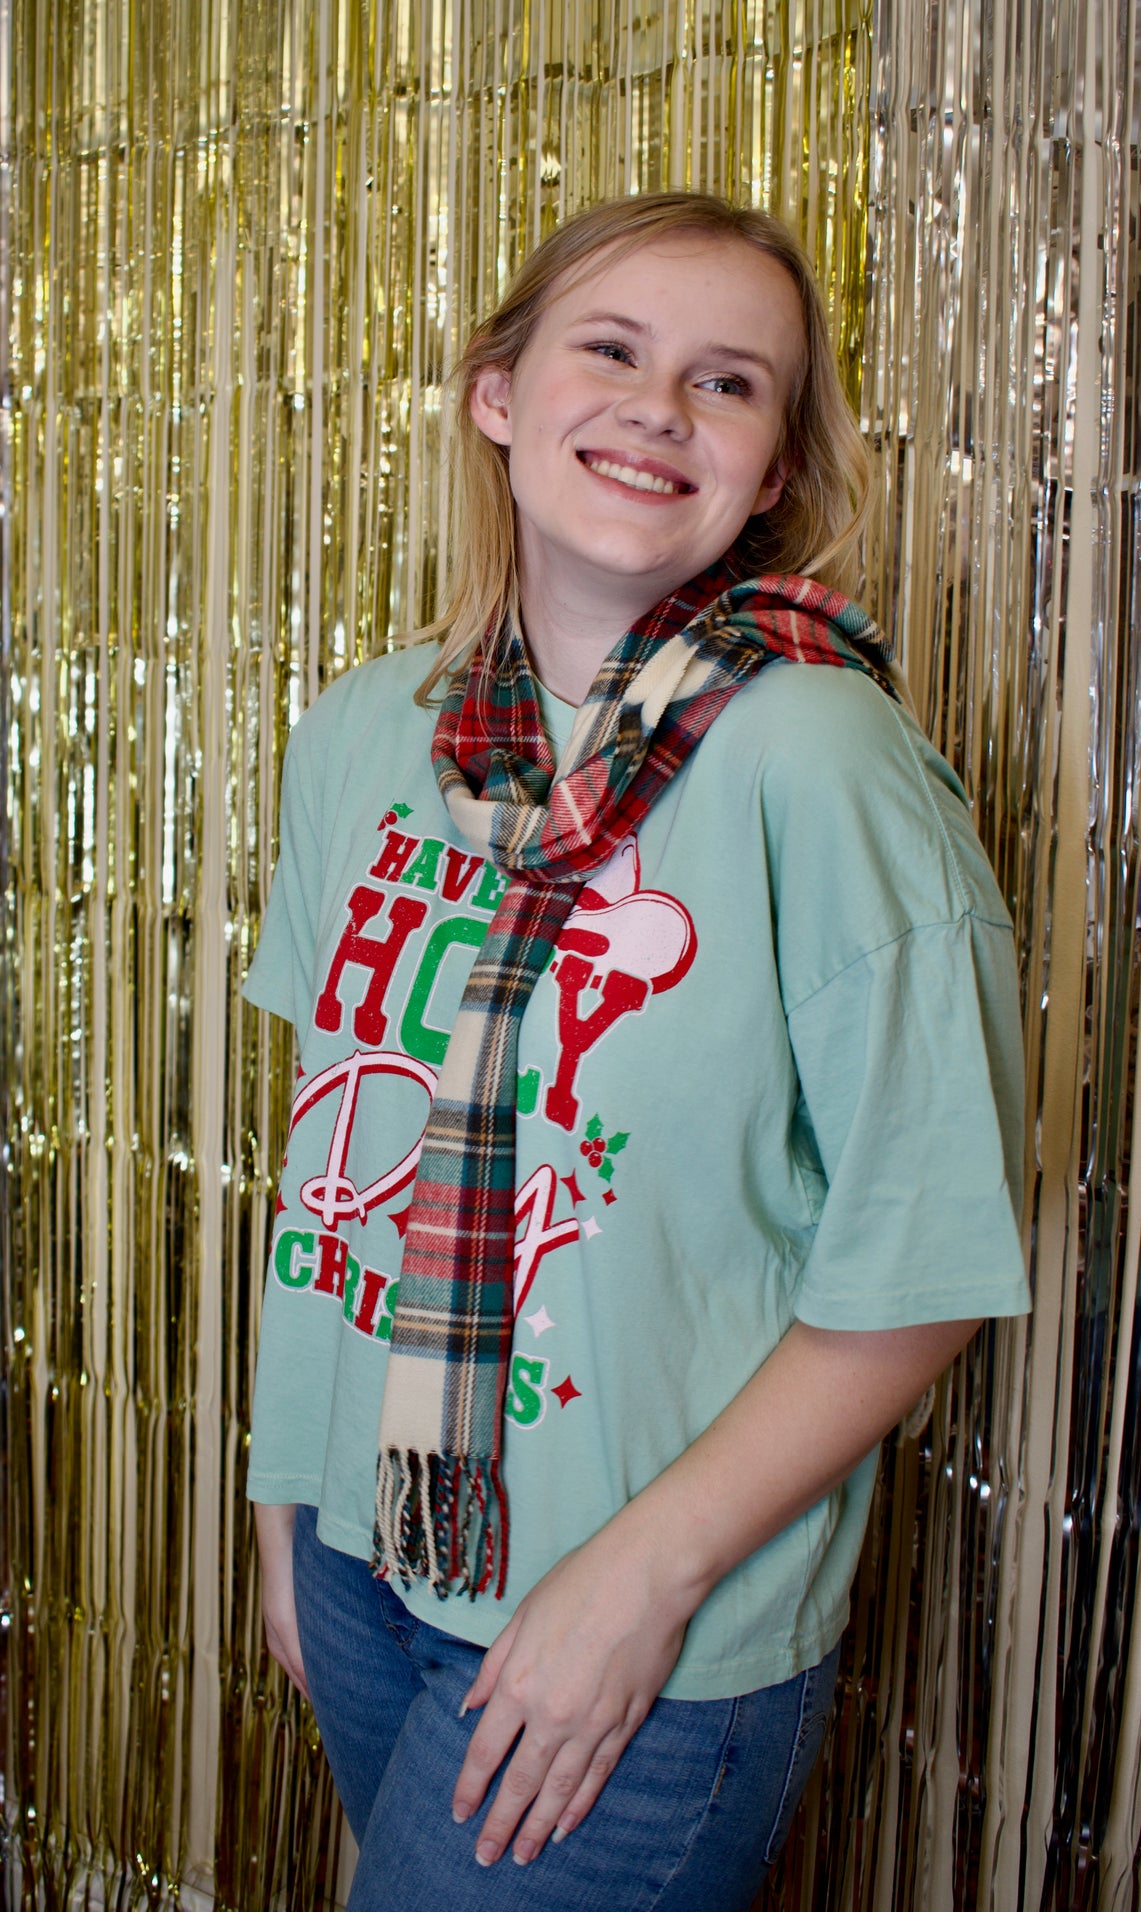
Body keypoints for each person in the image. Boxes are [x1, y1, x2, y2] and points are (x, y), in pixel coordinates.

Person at [243, 191, 1030, 1911]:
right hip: (368, 1559)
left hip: (634, 1632)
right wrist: (282, 1504)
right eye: (610, 350)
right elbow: (328, 1153)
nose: (658, 406)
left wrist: (637, 1586)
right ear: (497, 395)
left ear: (769, 469)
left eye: (726, 382)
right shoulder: (367, 730)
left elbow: (924, 1263)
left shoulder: (818, 762)